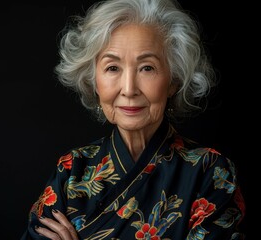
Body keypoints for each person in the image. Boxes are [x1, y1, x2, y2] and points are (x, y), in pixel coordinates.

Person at [20, 0, 246, 239]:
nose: (129, 89)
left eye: (147, 68)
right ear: (93, 81)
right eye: (112, 68)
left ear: (173, 81)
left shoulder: (209, 171)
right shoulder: (72, 170)